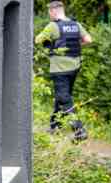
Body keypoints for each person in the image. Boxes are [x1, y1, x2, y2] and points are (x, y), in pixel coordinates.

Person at [35, 1, 92, 140]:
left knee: (63, 97)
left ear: (54, 11)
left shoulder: (53, 26)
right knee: (63, 96)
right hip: (74, 67)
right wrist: (75, 45)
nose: (49, 15)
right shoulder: (75, 25)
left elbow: (37, 40)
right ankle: (55, 126)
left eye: (49, 12)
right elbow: (88, 39)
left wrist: (50, 43)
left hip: (59, 69)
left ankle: (79, 130)